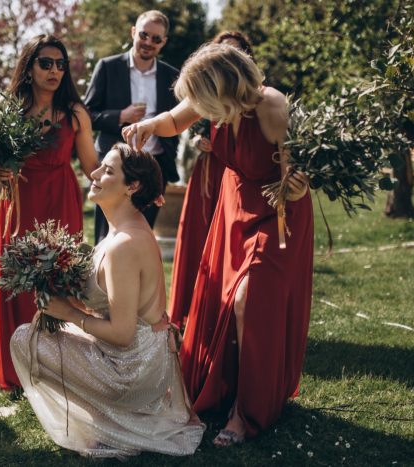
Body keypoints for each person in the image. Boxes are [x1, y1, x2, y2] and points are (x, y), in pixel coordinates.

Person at [123, 43, 313, 445]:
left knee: (250, 300)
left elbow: (296, 177)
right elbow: (174, 120)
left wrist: (295, 188)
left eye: (203, 99)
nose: (202, 111)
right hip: (233, 206)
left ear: (222, 85)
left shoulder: (272, 107)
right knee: (225, 301)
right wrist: (149, 126)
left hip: (276, 212)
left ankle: (248, 409)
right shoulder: (212, 101)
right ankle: (225, 389)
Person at [11, 144, 205, 459]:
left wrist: (70, 313)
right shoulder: (119, 231)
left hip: (131, 368)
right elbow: (112, 306)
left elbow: (123, 332)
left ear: (133, 186)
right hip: (133, 355)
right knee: (38, 332)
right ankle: (111, 419)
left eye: (108, 171)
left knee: (24, 339)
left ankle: (109, 425)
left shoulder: (125, 245)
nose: (95, 174)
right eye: (100, 167)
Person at [0, 35, 100, 391]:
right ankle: (19, 366)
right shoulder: (11, 111)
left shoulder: (75, 113)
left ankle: (58, 368)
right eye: (45, 63)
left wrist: (130, 184)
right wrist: (0, 171)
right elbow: (1, 162)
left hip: (61, 201)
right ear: (29, 67)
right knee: (18, 282)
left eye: (60, 64)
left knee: (59, 281)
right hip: (21, 202)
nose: (54, 70)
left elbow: (92, 167)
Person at [168, 31, 255, 328]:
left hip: (237, 173)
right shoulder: (205, 89)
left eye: (236, 51)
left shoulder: (254, 96)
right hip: (208, 169)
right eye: (222, 50)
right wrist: (197, 141)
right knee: (197, 235)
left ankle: (226, 311)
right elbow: (187, 122)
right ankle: (190, 311)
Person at [84, 10, 180, 244]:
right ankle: (101, 281)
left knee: (142, 238)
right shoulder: (107, 67)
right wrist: (120, 116)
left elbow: (177, 122)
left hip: (154, 169)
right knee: (105, 238)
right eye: (145, 35)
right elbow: (87, 115)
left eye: (156, 39)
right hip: (113, 170)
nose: (149, 42)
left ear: (163, 42)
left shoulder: (173, 76)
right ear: (134, 32)